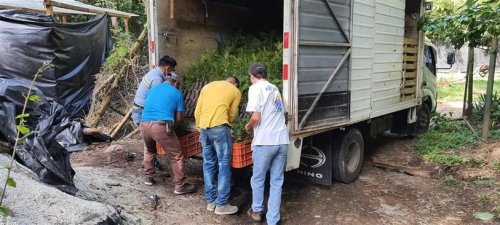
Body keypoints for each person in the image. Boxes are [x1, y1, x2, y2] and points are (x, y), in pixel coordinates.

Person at [245, 63, 289, 225]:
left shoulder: (255, 88)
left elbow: (256, 118)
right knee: (277, 181)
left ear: (252, 76)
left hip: (265, 142)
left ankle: (257, 211)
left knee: (258, 179)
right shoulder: (274, 88)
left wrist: (248, 127)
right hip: (282, 141)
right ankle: (273, 220)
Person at [140, 72, 197, 195]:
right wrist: (173, 130)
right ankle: (180, 186)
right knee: (176, 156)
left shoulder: (152, 89)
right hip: (160, 125)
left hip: (144, 123)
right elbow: (179, 118)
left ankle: (148, 177)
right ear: (175, 83)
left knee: (149, 150)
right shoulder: (177, 93)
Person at [194, 76, 242, 215]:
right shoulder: (235, 91)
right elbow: (232, 115)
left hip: (203, 127)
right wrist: (230, 126)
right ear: (235, 84)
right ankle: (222, 204)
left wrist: (199, 127)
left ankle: (210, 202)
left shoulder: (207, 86)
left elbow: (198, 111)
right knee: (223, 165)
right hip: (220, 128)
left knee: (208, 163)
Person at [132, 55, 177, 171]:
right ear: (167, 68)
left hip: (139, 109)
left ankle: (149, 166)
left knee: (149, 141)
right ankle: (152, 166)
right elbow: (158, 100)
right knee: (150, 142)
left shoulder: (154, 73)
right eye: (172, 70)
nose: (171, 73)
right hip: (142, 111)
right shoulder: (157, 79)